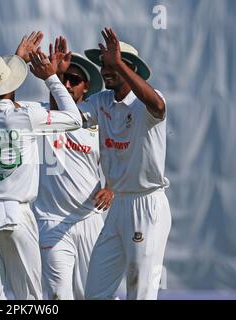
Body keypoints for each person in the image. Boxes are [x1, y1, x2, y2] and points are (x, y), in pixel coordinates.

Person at [0, 32, 83, 300]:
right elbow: (74, 118)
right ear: (9, 86)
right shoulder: (25, 116)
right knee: (31, 299)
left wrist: (14, 63)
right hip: (15, 214)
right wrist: (51, 77)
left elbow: (2, 100)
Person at [81, 28, 171, 300]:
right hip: (118, 205)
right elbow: (68, 115)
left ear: (128, 67)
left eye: (110, 65)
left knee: (140, 293)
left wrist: (118, 62)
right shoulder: (102, 101)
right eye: (103, 65)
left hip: (148, 204)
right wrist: (53, 78)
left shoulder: (146, 103)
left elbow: (159, 106)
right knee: (96, 293)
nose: (104, 71)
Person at [31, 36, 113, 300]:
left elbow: (122, 160)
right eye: (63, 79)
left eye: (74, 81)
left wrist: (111, 187)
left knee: (97, 295)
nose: (66, 86)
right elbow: (3, 96)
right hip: (51, 221)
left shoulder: (100, 121)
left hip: (89, 219)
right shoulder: (41, 116)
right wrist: (46, 73)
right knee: (57, 296)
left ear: (86, 88)